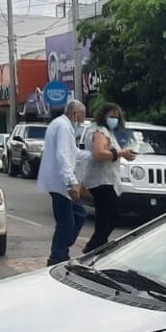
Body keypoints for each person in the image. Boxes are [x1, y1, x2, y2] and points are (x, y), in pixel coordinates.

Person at [37, 98, 87, 265]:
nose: (83, 120)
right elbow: (62, 156)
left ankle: (62, 249)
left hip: (59, 182)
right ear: (75, 114)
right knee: (66, 222)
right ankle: (57, 256)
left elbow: (74, 153)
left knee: (78, 215)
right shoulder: (64, 127)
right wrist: (71, 182)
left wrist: (93, 156)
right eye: (82, 116)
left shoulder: (61, 125)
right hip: (60, 183)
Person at [81, 102, 137, 253]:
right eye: (111, 116)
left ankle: (98, 245)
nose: (114, 119)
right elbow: (99, 153)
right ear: (103, 116)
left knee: (105, 216)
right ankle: (94, 246)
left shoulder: (106, 131)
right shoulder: (99, 131)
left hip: (106, 179)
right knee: (113, 213)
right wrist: (120, 154)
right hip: (101, 181)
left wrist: (121, 153)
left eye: (116, 117)